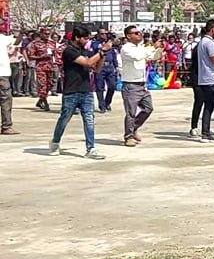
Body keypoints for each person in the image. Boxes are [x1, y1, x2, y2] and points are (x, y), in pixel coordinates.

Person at [50, 26, 111, 159]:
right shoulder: (69, 51)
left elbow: (97, 69)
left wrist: (103, 54)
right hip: (71, 91)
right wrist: (101, 52)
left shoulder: (86, 51)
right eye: (85, 38)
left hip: (86, 90)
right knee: (64, 119)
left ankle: (91, 148)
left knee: (89, 119)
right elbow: (88, 63)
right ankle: (55, 142)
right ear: (77, 38)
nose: (87, 40)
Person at [119, 25, 163, 146]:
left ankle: (134, 129)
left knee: (148, 108)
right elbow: (138, 56)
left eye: (139, 33)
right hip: (130, 84)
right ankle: (128, 136)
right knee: (131, 113)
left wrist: (157, 50)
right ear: (129, 36)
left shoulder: (141, 47)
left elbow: (152, 57)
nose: (139, 35)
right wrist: (152, 47)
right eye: (136, 33)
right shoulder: (126, 48)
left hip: (142, 84)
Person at [26, 28, 56, 111]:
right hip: (40, 67)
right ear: (41, 34)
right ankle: (45, 102)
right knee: (42, 85)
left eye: (48, 34)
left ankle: (40, 100)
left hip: (50, 66)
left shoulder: (52, 43)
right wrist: (41, 57)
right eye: (45, 34)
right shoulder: (35, 44)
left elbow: (55, 54)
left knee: (49, 85)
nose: (47, 35)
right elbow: (31, 56)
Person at [0, 26, 18, 135]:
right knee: (5, 99)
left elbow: (15, 41)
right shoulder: (2, 38)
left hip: (3, 73)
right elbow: (16, 41)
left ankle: (6, 126)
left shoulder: (3, 38)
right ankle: (6, 126)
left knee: (5, 99)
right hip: (2, 73)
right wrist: (20, 33)